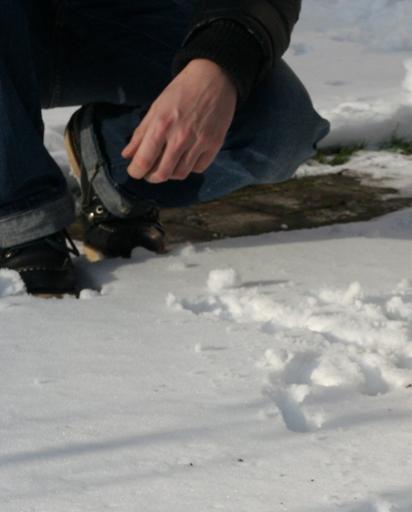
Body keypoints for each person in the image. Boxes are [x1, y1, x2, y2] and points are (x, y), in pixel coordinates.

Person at [0, 0, 330, 296]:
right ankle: (19, 220)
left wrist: (221, 59)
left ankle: (113, 160)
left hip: (118, 14)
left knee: (279, 127)